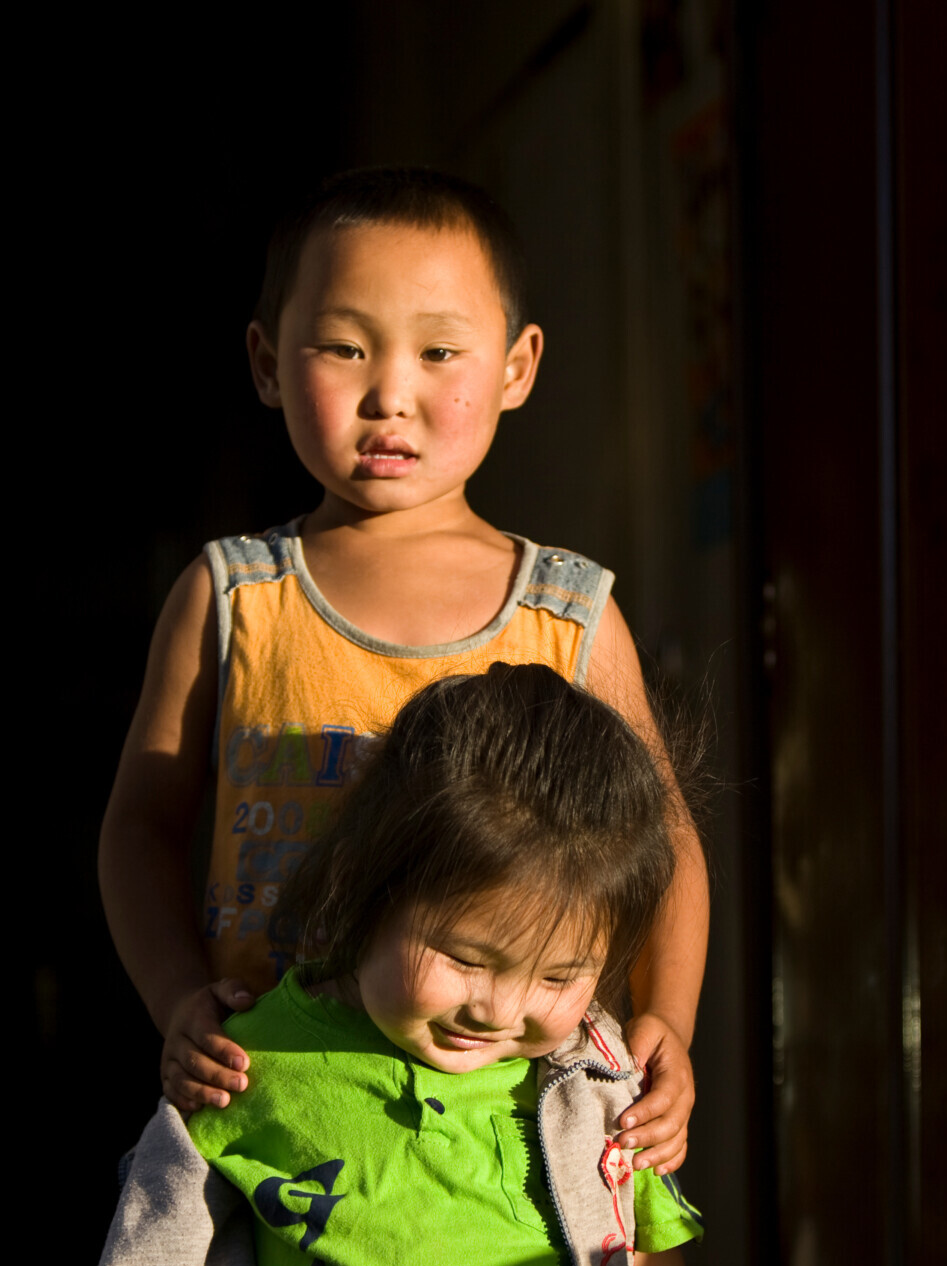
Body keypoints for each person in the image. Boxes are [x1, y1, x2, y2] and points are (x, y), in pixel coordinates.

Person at [98, 165, 709, 1173]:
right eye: (344, 348)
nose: (390, 394)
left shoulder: (568, 616)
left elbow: (666, 842)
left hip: (513, 1112)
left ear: (515, 368)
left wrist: (669, 1021)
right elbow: (139, 829)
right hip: (281, 1105)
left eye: (438, 351)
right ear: (265, 361)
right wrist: (178, 1000)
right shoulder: (234, 600)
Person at [48, 664, 703, 1266]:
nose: (497, 1009)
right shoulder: (251, 1069)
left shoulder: (598, 1085)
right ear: (373, 884)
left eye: (558, 977)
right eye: (465, 958)